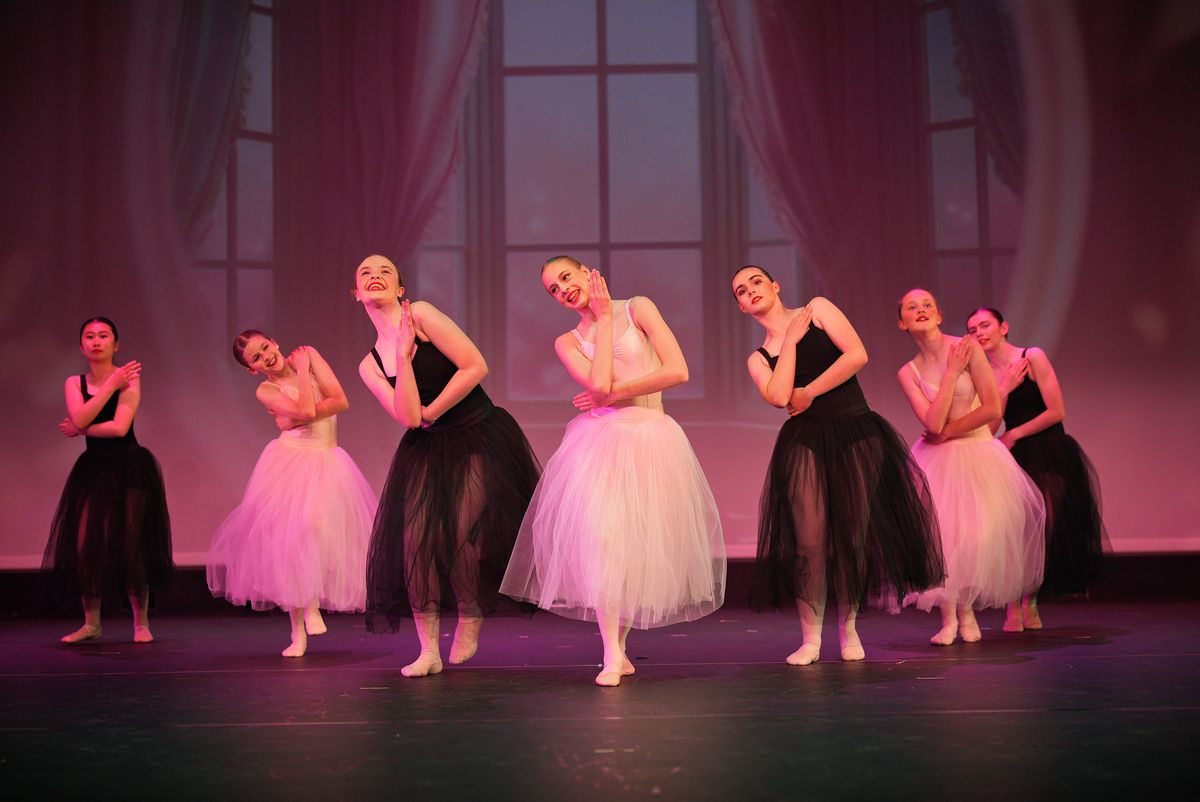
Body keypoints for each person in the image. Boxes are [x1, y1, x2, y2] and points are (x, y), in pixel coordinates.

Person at [501, 257, 726, 687]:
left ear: (587, 272)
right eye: (552, 289)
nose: (562, 289)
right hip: (600, 440)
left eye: (565, 277)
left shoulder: (639, 307)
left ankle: (618, 649)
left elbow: (677, 370)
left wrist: (613, 388)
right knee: (604, 543)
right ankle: (610, 652)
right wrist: (603, 323)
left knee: (633, 546)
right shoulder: (567, 341)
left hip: (651, 437)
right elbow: (598, 385)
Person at [732, 266, 943, 665]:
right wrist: (789, 341)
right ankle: (811, 639)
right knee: (809, 541)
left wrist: (810, 390)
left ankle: (849, 629)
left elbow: (857, 354)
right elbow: (778, 396)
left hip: (855, 429)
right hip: (805, 440)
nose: (750, 290)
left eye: (756, 282)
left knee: (852, 536)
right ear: (742, 307)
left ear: (775, 285)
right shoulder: (758, 358)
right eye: (741, 291)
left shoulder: (818, 309)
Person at [356, 254, 540, 678]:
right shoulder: (370, 365)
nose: (375, 276)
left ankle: (470, 611)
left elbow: (475, 365)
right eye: (365, 273)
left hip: (477, 432)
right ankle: (428, 650)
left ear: (400, 289)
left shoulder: (421, 314)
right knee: (416, 541)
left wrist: (432, 410)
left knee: (456, 533)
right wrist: (402, 357)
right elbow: (407, 417)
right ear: (357, 293)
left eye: (384, 271)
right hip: (427, 445)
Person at [207, 331, 376, 657]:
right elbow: (309, 412)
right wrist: (300, 377)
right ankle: (300, 626)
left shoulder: (309, 353)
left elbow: (340, 401)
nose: (266, 356)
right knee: (295, 538)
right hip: (293, 462)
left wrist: (296, 414)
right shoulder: (266, 390)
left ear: (274, 342)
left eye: (265, 347)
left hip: (327, 458)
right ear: (252, 369)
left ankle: (308, 604)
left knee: (320, 530)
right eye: (256, 358)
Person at [896, 289, 1045, 645]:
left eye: (928, 305)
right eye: (912, 307)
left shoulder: (968, 347)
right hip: (938, 458)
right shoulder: (908, 372)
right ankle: (951, 618)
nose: (921, 310)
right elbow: (932, 422)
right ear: (902, 323)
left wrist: (948, 432)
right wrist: (951, 374)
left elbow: (992, 408)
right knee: (944, 539)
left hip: (977, 452)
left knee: (974, 538)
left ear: (939, 314)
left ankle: (966, 612)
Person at [966, 307, 1106, 630]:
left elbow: (1057, 411)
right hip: (1015, 456)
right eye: (972, 330)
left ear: (1004, 327)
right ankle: (1014, 605)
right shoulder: (984, 373)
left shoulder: (1032, 357)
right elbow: (989, 427)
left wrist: (1015, 433)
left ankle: (1029, 603)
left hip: (1048, 449)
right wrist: (1003, 389)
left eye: (985, 325)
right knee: (1016, 530)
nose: (979, 333)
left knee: (1043, 529)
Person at [45, 317, 173, 644]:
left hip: (130, 466)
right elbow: (79, 416)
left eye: (103, 336)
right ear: (81, 346)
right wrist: (107, 390)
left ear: (116, 345)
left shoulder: (129, 379)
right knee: (84, 544)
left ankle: (141, 623)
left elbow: (118, 427)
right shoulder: (74, 382)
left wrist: (81, 428)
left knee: (131, 544)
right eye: (89, 336)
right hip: (93, 468)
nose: (96, 341)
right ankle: (92, 623)